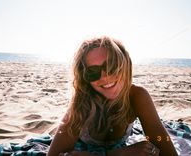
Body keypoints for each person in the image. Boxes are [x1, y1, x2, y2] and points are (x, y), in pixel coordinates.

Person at [47, 36, 178, 156]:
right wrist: (118, 154)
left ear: (125, 64)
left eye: (111, 66)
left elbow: (164, 144)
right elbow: (54, 154)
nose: (105, 77)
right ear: (84, 77)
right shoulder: (82, 102)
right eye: (92, 72)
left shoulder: (137, 96)